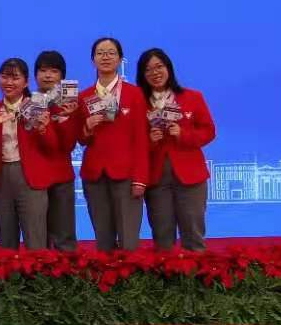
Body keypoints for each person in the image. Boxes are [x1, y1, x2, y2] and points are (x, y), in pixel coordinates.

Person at [0, 58, 68, 249]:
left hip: (31, 177)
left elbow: (52, 147)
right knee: (5, 240)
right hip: (1, 178)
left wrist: (43, 129)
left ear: (26, 82)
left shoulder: (38, 107)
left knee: (36, 239)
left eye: (15, 78)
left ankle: (38, 269)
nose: (9, 82)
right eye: (4, 77)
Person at [138, 48, 216, 251]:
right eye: (148, 69)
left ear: (169, 68)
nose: (155, 73)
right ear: (142, 75)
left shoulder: (192, 97)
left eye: (159, 67)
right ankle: (166, 271)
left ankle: (195, 270)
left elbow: (208, 131)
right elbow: (132, 141)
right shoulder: (138, 103)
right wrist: (150, 141)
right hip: (156, 179)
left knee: (193, 234)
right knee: (162, 236)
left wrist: (183, 134)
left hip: (190, 176)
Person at [79, 36, 149, 250]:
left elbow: (142, 139)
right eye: (100, 53)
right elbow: (81, 139)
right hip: (94, 175)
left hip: (126, 175)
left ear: (120, 59)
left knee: (129, 240)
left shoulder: (135, 94)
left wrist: (140, 179)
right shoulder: (84, 96)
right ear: (93, 60)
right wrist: (87, 127)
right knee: (103, 240)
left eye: (111, 53)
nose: (105, 57)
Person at [31, 50, 82, 251]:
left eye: (54, 71)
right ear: (35, 75)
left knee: (64, 237)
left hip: (61, 177)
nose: (48, 76)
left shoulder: (70, 105)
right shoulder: (27, 103)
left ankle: (67, 270)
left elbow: (69, 145)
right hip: (34, 178)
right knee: (38, 239)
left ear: (62, 76)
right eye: (43, 70)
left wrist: (67, 117)